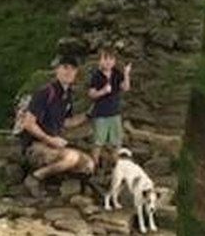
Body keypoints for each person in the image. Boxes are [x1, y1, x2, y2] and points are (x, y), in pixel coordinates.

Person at [20, 54, 95, 197]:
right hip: (35, 146)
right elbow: (28, 124)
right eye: (65, 67)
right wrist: (50, 140)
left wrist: (88, 115)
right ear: (57, 70)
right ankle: (35, 177)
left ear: (76, 73)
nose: (68, 72)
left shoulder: (67, 96)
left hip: (54, 145)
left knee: (88, 165)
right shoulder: (45, 93)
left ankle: (56, 177)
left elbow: (66, 122)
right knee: (72, 157)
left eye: (73, 69)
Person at [87, 48, 132, 170]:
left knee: (116, 142)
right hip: (101, 114)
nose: (108, 62)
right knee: (98, 142)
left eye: (110, 59)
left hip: (115, 113)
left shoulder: (117, 73)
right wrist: (102, 91)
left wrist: (127, 73)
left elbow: (125, 87)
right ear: (100, 61)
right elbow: (91, 94)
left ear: (114, 61)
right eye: (105, 59)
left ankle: (116, 167)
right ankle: (93, 167)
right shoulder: (96, 76)